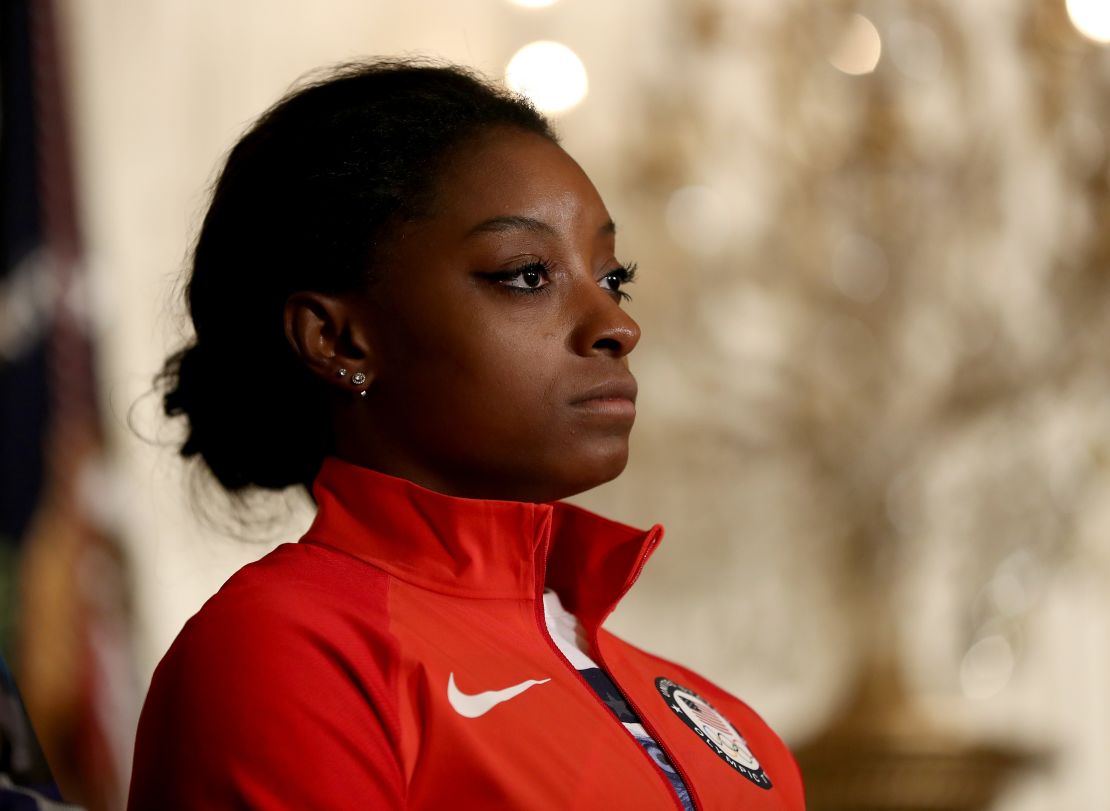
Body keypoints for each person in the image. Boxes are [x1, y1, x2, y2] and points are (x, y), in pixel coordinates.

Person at [126, 59, 806, 810]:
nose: (618, 324)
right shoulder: (283, 656)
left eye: (614, 277)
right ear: (338, 340)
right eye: (525, 275)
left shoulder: (737, 732)